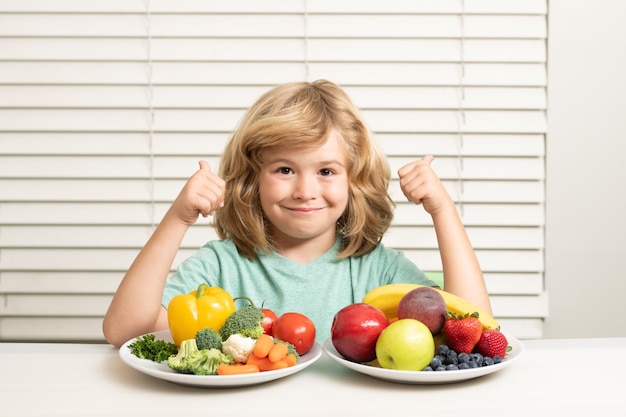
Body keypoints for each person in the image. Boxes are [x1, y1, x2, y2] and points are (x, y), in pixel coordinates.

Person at [102, 79, 492, 348]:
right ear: (253, 177)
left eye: (326, 171)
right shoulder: (222, 266)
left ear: (353, 181)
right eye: (284, 170)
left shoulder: (378, 269)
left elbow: (477, 329)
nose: (305, 191)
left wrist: (443, 211)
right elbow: (123, 331)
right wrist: (178, 219)